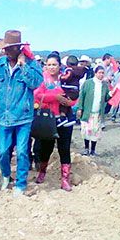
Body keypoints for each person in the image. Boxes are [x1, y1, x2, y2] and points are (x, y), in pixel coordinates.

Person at [0, 30, 43, 197]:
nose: (6, 51)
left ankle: (21, 183)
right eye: (4, 48)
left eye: (9, 48)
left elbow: (35, 83)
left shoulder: (31, 64)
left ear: (17, 48)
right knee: (2, 151)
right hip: (4, 116)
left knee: (22, 151)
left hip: (23, 116)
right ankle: (6, 175)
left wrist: (23, 66)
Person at [34, 54, 75, 190]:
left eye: (54, 64)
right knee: (46, 148)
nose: (51, 67)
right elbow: (38, 95)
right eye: (49, 64)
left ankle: (65, 179)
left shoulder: (66, 78)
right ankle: (42, 172)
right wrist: (55, 97)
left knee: (65, 149)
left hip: (65, 119)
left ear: (59, 66)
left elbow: (75, 96)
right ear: (45, 65)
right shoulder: (42, 79)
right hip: (48, 119)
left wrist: (69, 102)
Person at [77, 65, 111, 156]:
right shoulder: (88, 83)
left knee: (95, 131)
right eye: (99, 72)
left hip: (98, 113)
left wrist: (111, 94)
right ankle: (86, 148)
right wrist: (80, 108)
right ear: (95, 73)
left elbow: (106, 98)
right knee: (86, 130)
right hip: (88, 112)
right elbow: (82, 96)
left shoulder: (104, 85)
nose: (101, 75)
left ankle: (93, 150)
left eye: (103, 73)